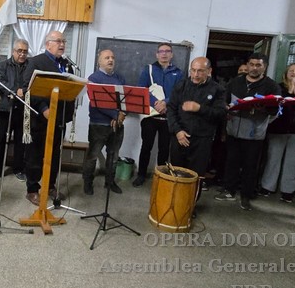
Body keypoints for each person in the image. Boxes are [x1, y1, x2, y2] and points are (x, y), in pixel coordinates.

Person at [214, 52, 280, 211]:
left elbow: (276, 109)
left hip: (255, 133)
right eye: (252, 64)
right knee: (231, 162)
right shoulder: (235, 82)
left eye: (258, 65)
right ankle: (229, 190)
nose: (254, 68)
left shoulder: (271, 86)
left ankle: (246, 195)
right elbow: (224, 99)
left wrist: (263, 108)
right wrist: (226, 107)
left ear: (264, 67)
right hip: (234, 129)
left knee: (250, 166)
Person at [22, 30, 75, 205]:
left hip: (58, 119)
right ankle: (32, 189)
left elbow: (70, 89)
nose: (62, 44)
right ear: (48, 44)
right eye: (58, 41)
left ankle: (50, 185)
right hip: (40, 118)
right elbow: (27, 88)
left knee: (54, 154)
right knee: (35, 155)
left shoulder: (67, 65)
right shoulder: (36, 62)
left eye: (64, 41)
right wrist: (43, 108)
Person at [166, 57, 226, 207]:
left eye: (200, 71)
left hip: (202, 140)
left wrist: (200, 108)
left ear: (209, 71)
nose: (196, 74)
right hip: (179, 137)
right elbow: (171, 110)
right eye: (193, 70)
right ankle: (173, 205)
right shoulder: (181, 85)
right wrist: (178, 131)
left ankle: (189, 207)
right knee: (176, 173)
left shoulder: (218, 90)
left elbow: (220, 114)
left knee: (196, 176)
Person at [258, 63, 295, 202]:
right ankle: (267, 187)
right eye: (291, 70)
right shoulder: (278, 88)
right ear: (286, 73)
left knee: (293, 162)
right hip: (278, 130)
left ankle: (287, 192)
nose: (294, 73)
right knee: (273, 159)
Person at [133, 42, 183, 186]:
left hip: (169, 116)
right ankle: (141, 174)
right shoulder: (148, 69)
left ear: (171, 54)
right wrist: (156, 102)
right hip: (150, 116)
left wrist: (166, 102)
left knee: (164, 148)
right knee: (146, 146)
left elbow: (179, 93)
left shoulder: (178, 72)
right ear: (157, 54)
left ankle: (161, 176)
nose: (164, 54)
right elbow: (141, 89)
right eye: (161, 51)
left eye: (167, 51)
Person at [83, 49, 126, 195]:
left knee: (113, 156)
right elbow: (96, 102)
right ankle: (88, 183)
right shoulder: (93, 78)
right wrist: (115, 114)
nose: (110, 60)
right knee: (93, 156)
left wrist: (122, 114)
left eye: (112, 57)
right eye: (106, 57)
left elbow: (127, 100)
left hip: (118, 125)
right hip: (98, 125)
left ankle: (110, 182)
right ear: (99, 61)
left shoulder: (120, 78)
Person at [0, 38, 30, 182]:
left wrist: (23, 91)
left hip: (23, 109)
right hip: (6, 109)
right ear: (13, 51)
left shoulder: (30, 66)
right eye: (19, 51)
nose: (22, 54)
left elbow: (31, 83)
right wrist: (13, 91)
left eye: (25, 51)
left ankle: (18, 168)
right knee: (2, 139)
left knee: (20, 141)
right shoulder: (2, 65)